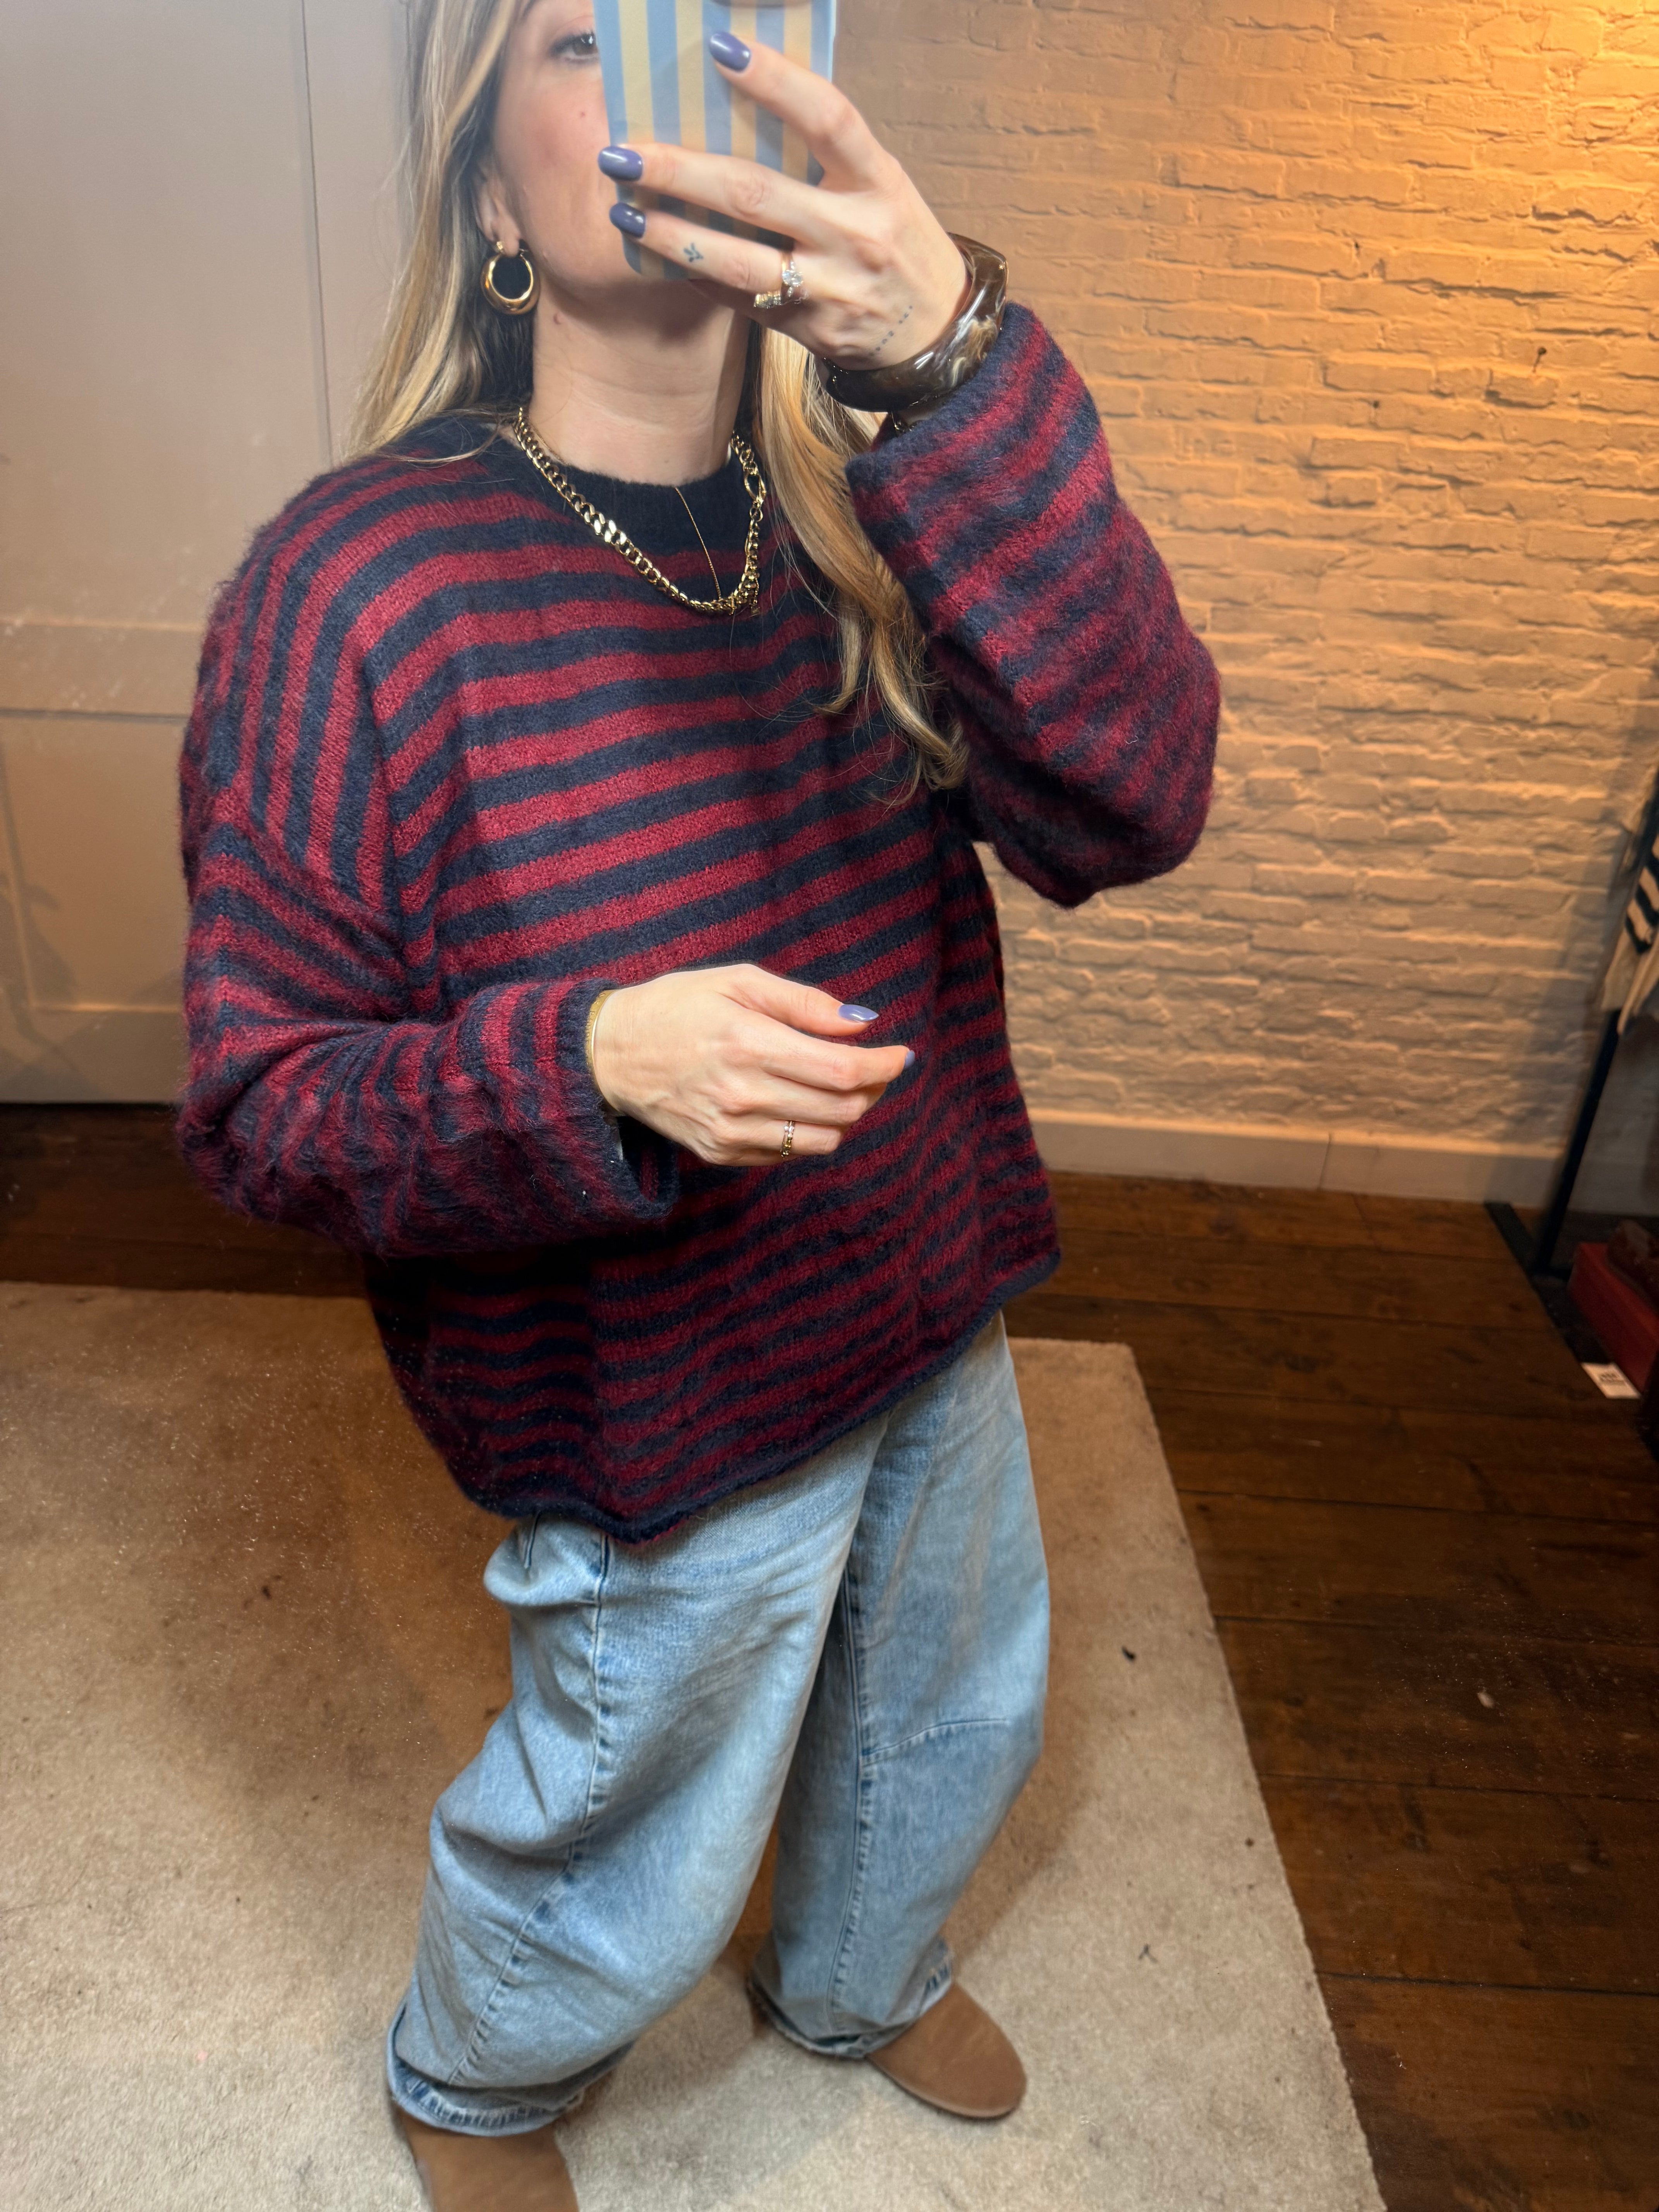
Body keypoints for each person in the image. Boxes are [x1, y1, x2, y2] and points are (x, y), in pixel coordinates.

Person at [176, 1, 1219, 2203]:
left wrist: (949, 360)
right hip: (652, 1373)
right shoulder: (359, 586)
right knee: (631, 1795)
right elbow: (264, 1102)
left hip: (926, 1286)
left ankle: (857, 1970)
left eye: (714, 29)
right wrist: (589, 1061)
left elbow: (1133, 803)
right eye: (587, 41)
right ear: (490, 188)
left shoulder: (874, 509)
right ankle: (480, 2072)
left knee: (953, 1703)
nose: (663, 92)